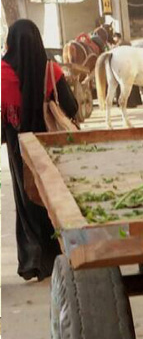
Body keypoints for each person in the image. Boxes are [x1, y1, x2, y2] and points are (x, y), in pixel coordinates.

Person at [1, 19, 78, 281]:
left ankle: (34, 260)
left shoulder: (2, 74)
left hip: (19, 150)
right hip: (51, 148)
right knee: (54, 198)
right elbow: (71, 107)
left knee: (27, 200)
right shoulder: (50, 70)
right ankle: (62, 252)